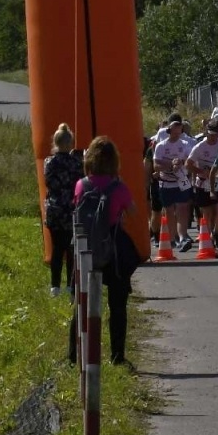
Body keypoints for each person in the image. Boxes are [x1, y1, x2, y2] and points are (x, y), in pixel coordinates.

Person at [69, 135, 140, 367]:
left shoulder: (82, 185)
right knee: (118, 305)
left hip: (86, 248)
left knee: (82, 304)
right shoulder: (118, 188)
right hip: (113, 251)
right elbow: (134, 213)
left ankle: (74, 355)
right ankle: (117, 356)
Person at [42, 123, 84, 294]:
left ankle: (55, 285)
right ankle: (70, 285)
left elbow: (48, 183)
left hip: (55, 208)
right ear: (70, 143)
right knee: (71, 248)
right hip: (71, 209)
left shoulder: (49, 162)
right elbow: (81, 183)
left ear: (55, 142)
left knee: (57, 249)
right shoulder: (76, 162)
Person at [151, 118, 195, 253]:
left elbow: (190, 161)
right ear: (169, 131)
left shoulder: (186, 144)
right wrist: (170, 164)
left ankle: (183, 237)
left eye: (179, 131)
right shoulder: (161, 146)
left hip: (182, 180)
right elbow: (156, 165)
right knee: (169, 210)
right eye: (174, 131)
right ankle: (173, 237)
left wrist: (180, 162)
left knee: (182, 208)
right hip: (166, 182)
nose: (177, 134)